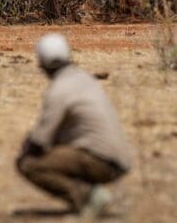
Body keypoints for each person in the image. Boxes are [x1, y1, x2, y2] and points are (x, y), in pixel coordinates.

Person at [16, 33, 131, 219]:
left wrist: (26, 147)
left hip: (99, 159)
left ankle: (89, 197)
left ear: (42, 64)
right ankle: (91, 194)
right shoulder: (84, 78)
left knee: (28, 164)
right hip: (120, 158)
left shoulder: (58, 90)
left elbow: (40, 140)